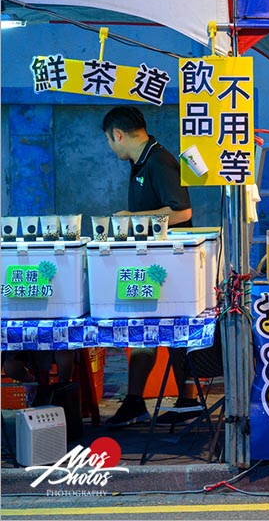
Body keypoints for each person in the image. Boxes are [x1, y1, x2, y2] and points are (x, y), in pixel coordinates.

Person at [102, 105, 200, 427]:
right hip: (150, 261)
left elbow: (182, 212)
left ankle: (186, 402)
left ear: (117, 134)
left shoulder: (159, 160)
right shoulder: (140, 162)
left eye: (108, 139)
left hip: (171, 264)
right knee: (146, 332)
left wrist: (133, 219)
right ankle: (138, 401)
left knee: (170, 333)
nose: (110, 146)